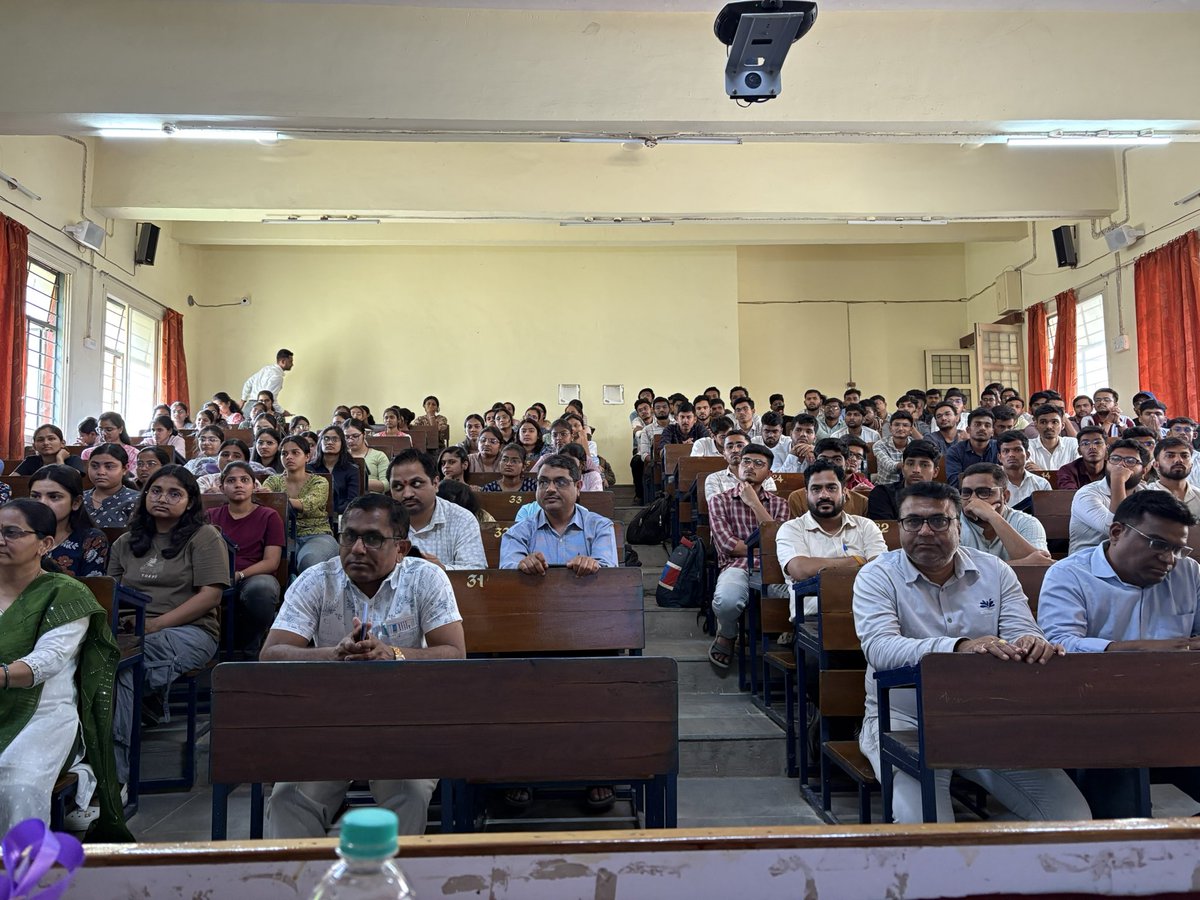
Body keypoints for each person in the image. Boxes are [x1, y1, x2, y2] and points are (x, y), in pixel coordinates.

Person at [852, 480, 1089, 823]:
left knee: (1071, 815)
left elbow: (1022, 628)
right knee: (927, 826)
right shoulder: (877, 576)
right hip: (902, 721)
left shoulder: (995, 570)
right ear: (900, 527)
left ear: (958, 527)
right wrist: (959, 647)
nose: (925, 531)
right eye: (913, 522)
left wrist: (1030, 642)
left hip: (986, 717)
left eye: (938, 521)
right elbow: (880, 648)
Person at [261, 493, 465, 837]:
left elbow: (455, 653)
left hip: (404, 720)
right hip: (328, 721)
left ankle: (387, 885)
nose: (356, 548)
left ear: (400, 547)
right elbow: (271, 654)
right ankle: (299, 887)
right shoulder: (316, 579)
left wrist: (392, 654)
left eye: (372, 538)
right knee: (288, 801)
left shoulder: (425, 578)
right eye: (348, 536)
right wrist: (333, 655)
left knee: (409, 796)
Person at [1037, 491, 1200, 818]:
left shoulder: (1189, 572)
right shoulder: (1070, 574)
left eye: (1177, 548)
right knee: (1122, 816)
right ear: (1116, 533)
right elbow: (1060, 643)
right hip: (1098, 714)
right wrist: (1144, 651)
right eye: (1157, 544)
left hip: (1175, 712)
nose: (1168, 559)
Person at [0, 499, 130, 838]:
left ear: (45, 544)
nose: (0, 539)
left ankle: (22, 881)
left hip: (42, 714)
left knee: (17, 783)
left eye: (11, 533)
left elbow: (47, 661)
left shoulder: (66, 594)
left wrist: (1, 675)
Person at [109, 466, 230, 783]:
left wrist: (154, 625)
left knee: (119, 668)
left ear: (190, 502)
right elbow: (111, 594)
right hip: (130, 633)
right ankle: (108, 771)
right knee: (116, 666)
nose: (163, 498)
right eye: (156, 490)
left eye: (174, 493)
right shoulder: (124, 543)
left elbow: (210, 597)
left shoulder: (204, 537)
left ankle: (114, 778)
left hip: (191, 631)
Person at [706, 443, 790, 670]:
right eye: (746, 461)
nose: (750, 467)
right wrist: (762, 547)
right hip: (737, 565)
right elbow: (727, 545)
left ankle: (792, 636)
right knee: (727, 602)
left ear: (769, 473)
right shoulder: (719, 500)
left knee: (799, 598)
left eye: (759, 464)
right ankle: (727, 633)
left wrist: (754, 502)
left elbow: (779, 544)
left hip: (773, 568)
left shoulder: (780, 504)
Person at [777, 459, 886, 622]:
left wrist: (817, 567)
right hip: (813, 618)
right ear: (806, 493)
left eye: (831, 488)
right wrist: (857, 560)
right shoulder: (791, 529)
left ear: (844, 492)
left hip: (866, 615)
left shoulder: (865, 526)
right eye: (816, 489)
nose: (824, 495)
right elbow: (800, 569)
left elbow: (880, 571)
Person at [206, 461, 286, 656]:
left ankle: (252, 648)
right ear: (222, 486)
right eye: (231, 481)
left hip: (253, 574)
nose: (238, 485)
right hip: (216, 576)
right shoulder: (211, 516)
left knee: (263, 589)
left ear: (254, 485)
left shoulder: (269, 516)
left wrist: (239, 575)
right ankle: (207, 649)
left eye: (244, 480)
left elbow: (271, 562)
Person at [499, 453, 617, 574]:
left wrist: (592, 565)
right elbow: (509, 573)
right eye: (543, 482)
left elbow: (609, 575)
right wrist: (523, 566)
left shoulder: (600, 527)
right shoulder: (517, 533)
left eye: (560, 482)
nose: (550, 489)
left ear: (578, 487)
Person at [388, 449, 486, 570]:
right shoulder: (381, 520)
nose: (407, 494)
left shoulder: (462, 519)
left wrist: (441, 570)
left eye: (416, 484)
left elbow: (476, 570)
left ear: (435, 483)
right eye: (398, 487)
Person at [263, 435, 340, 572]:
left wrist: (276, 499)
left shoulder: (319, 481)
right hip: (281, 536)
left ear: (307, 457)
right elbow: (264, 500)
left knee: (310, 561)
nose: (288, 457)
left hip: (317, 535)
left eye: (295, 453)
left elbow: (308, 504)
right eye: (284, 453)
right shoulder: (273, 480)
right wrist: (269, 498)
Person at [958, 463, 1051, 564]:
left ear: (1005, 496)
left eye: (984, 492)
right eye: (966, 493)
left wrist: (992, 516)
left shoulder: (1026, 522)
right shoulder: (953, 523)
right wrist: (1018, 563)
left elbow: (1040, 565)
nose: (973, 499)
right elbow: (949, 571)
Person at [1068, 439, 1149, 555]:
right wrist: (1118, 481)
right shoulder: (1087, 494)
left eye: (1131, 461)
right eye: (1115, 459)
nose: (1121, 465)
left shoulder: (1147, 494)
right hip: (1088, 563)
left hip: (1134, 561)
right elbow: (1117, 530)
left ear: (1144, 471)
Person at [30, 465, 109, 578]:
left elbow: (92, 589)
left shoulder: (91, 539)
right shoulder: (17, 534)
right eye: (35, 496)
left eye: (54, 497)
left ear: (76, 502)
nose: (42, 503)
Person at [787, 439, 870, 518]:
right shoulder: (797, 498)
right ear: (815, 461)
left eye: (837, 459)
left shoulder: (862, 502)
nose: (830, 464)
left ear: (847, 463)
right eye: (824, 459)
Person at [867, 440, 942, 521]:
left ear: (935, 472)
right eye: (910, 464)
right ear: (902, 468)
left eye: (924, 465)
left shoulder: (945, 497)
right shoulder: (883, 494)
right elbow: (886, 531)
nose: (916, 470)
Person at [310, 425, 362, 517]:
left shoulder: (352, 470)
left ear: (342, 443)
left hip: (341, 515)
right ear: (320, 442)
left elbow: (352, 501)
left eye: (335, 439)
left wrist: (333, 512)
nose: (330, 442)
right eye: (326, 439)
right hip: (312, 516)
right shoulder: (309, 468)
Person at [83, 444, 139, 527]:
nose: (100, 472)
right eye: (94, 466)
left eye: (109, 467)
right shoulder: (78, 498)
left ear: (125, 469)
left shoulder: (137, 500)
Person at [996, 430, 1052, 511]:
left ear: (1027, 455)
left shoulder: (1042, 484)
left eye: (1017, 450)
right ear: (999, 457)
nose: (1011, 455)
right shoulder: (992, 485)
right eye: (1006, 451)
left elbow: (1048, 513)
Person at [1146, 436, 1200, 518]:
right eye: (1170, 456)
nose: (1179, 460)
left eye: (1184, 456)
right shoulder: (1144, 497)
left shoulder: (1198, 495)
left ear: (1191, 465)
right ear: (1156, 465)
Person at [945, 408, 998, 488]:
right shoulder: (955, 451)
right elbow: (955, 483)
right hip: (966, 497)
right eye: (977, 424)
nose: (982, 428)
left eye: (987, 425)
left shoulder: (1000, 448)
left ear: (992, 432)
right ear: (968, 430)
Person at [12, 424, 85, 476]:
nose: (46, 443)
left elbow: (71, 480)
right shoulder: (31, 461)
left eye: (51, 439)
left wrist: (60, 459)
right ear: (34, 446)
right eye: (40, 440)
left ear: (62, 443)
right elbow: (11, 481)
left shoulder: (73, 460)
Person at [338, 418, 387, 493]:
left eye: (355, 436)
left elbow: (386, 485)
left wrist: (357, 482)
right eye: (347, 437)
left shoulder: (379, 456)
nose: (350, 440)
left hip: (373, 500)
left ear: (364, 434)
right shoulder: (340, 457)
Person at [1028, 404, 1079, 470]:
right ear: (1036, 425)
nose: (1049, 426)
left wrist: (1041, 472)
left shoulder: (1073, 443)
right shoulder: (1028, 445)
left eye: (1054, 422)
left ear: (1063, 426)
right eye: (1043, 422)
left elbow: (1078, 472)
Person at [1057, 425, 1107, 490]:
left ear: (1106, 448)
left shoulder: (1113, 470)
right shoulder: (1068, 471)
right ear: (1079, 451)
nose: (1092, 447)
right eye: (1085, 443)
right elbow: (1069, 495)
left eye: (1097, 442)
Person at [872, 410, 915, 485]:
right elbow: (890, 466)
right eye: (897, 425)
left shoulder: (915, 445)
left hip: (909, 489)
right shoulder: (879, 445)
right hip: (885, 488)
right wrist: (909, 464)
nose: (901, 428)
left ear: (911, 430)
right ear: (890, 428)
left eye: (905, 425)